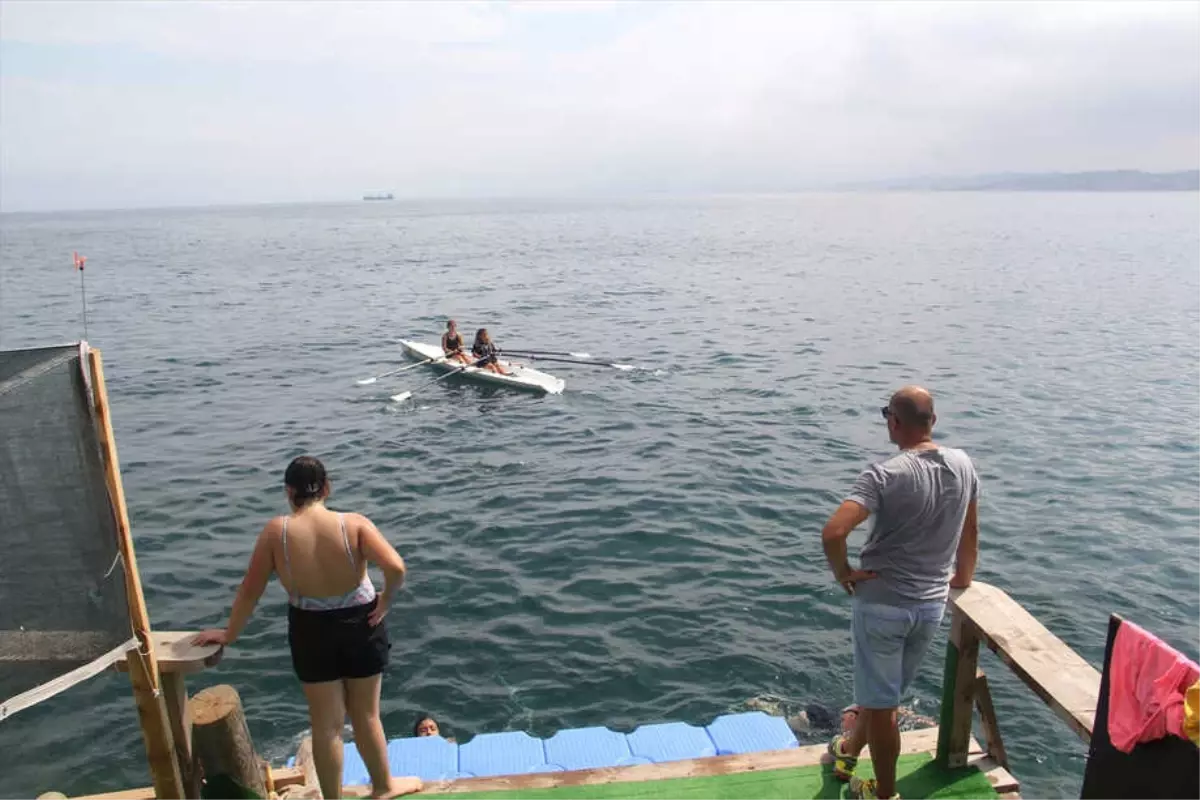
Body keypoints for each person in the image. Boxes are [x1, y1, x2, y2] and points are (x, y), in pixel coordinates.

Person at [193, 456, 421, 800]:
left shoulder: (277, 532)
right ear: (327, 487)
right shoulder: (354, 524)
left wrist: (229, 635)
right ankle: (384, 788)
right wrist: (386, 600)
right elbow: (396, 567)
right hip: (362, 622)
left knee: (327, 726)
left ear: (288, 491)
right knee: (367, 715)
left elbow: (250, 591)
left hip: (310, 630)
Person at [819, 386, 979, 800]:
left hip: (883, 607)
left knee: (883, 705)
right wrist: (961, 578)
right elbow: (969, 531)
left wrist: (844, 573)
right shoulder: (963, 465)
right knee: (881, 697)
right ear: (934, 421)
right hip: (930, 607)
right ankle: (847, 754)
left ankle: (884, 794)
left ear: (894, 421)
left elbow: (835, 531)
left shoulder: (884, 474)